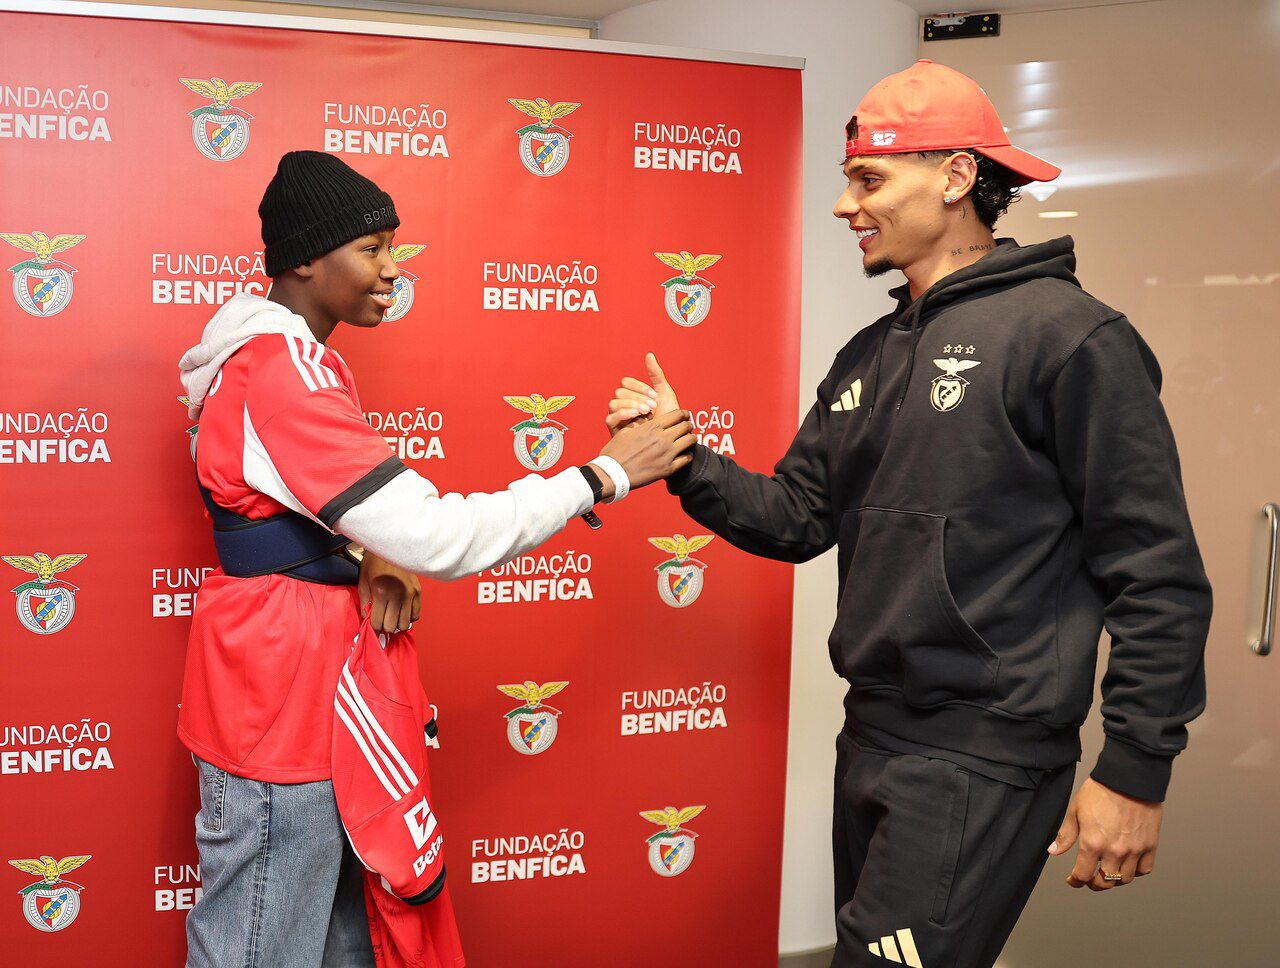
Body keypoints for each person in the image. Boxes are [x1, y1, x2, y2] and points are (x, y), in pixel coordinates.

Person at [606, 60, 1211, 968]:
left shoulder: (1069, 337)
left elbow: (1157, 575)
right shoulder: (869, 353)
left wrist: (1134, 769)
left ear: (958, 177)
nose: (845, 205)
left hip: (983, 756)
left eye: (869, 179)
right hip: (872, 738)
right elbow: (796, 517)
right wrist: (685, 457)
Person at [176, 150, 695, 968]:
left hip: (302, 694)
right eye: (372, 248)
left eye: (393, 247)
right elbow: (437, 535)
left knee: (340, 942)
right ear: (306, 259)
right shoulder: (282, 368)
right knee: (259, 949)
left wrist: (365, 549)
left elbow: (279, 504)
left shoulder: (272, 359)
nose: (393, 269)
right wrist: (602, 474)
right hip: (283, 706)